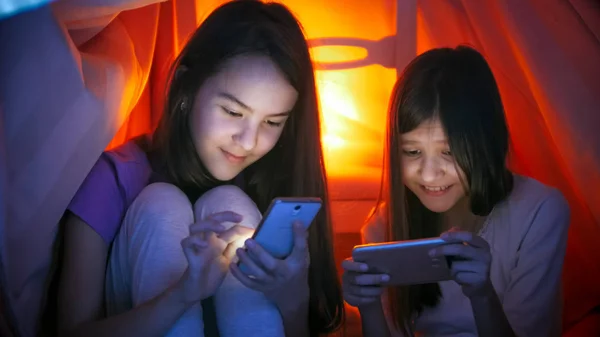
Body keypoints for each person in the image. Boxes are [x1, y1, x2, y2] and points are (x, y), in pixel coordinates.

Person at [55, 1, 344, 336]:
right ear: (186, 87)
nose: (248, 141)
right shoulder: (113, 178)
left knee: (231, 205)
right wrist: (182, 295)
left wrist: (292, 299)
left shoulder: (276, 182)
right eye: (233, 112)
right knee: (161, 203)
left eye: (272, 122)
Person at [341, 46, 570, 337]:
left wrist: (482, 294)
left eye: (448, 152)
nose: (428, 174)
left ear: (485, 144)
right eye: (412, 152)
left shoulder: (539, 211)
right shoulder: (383, 227)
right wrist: (368, 304)